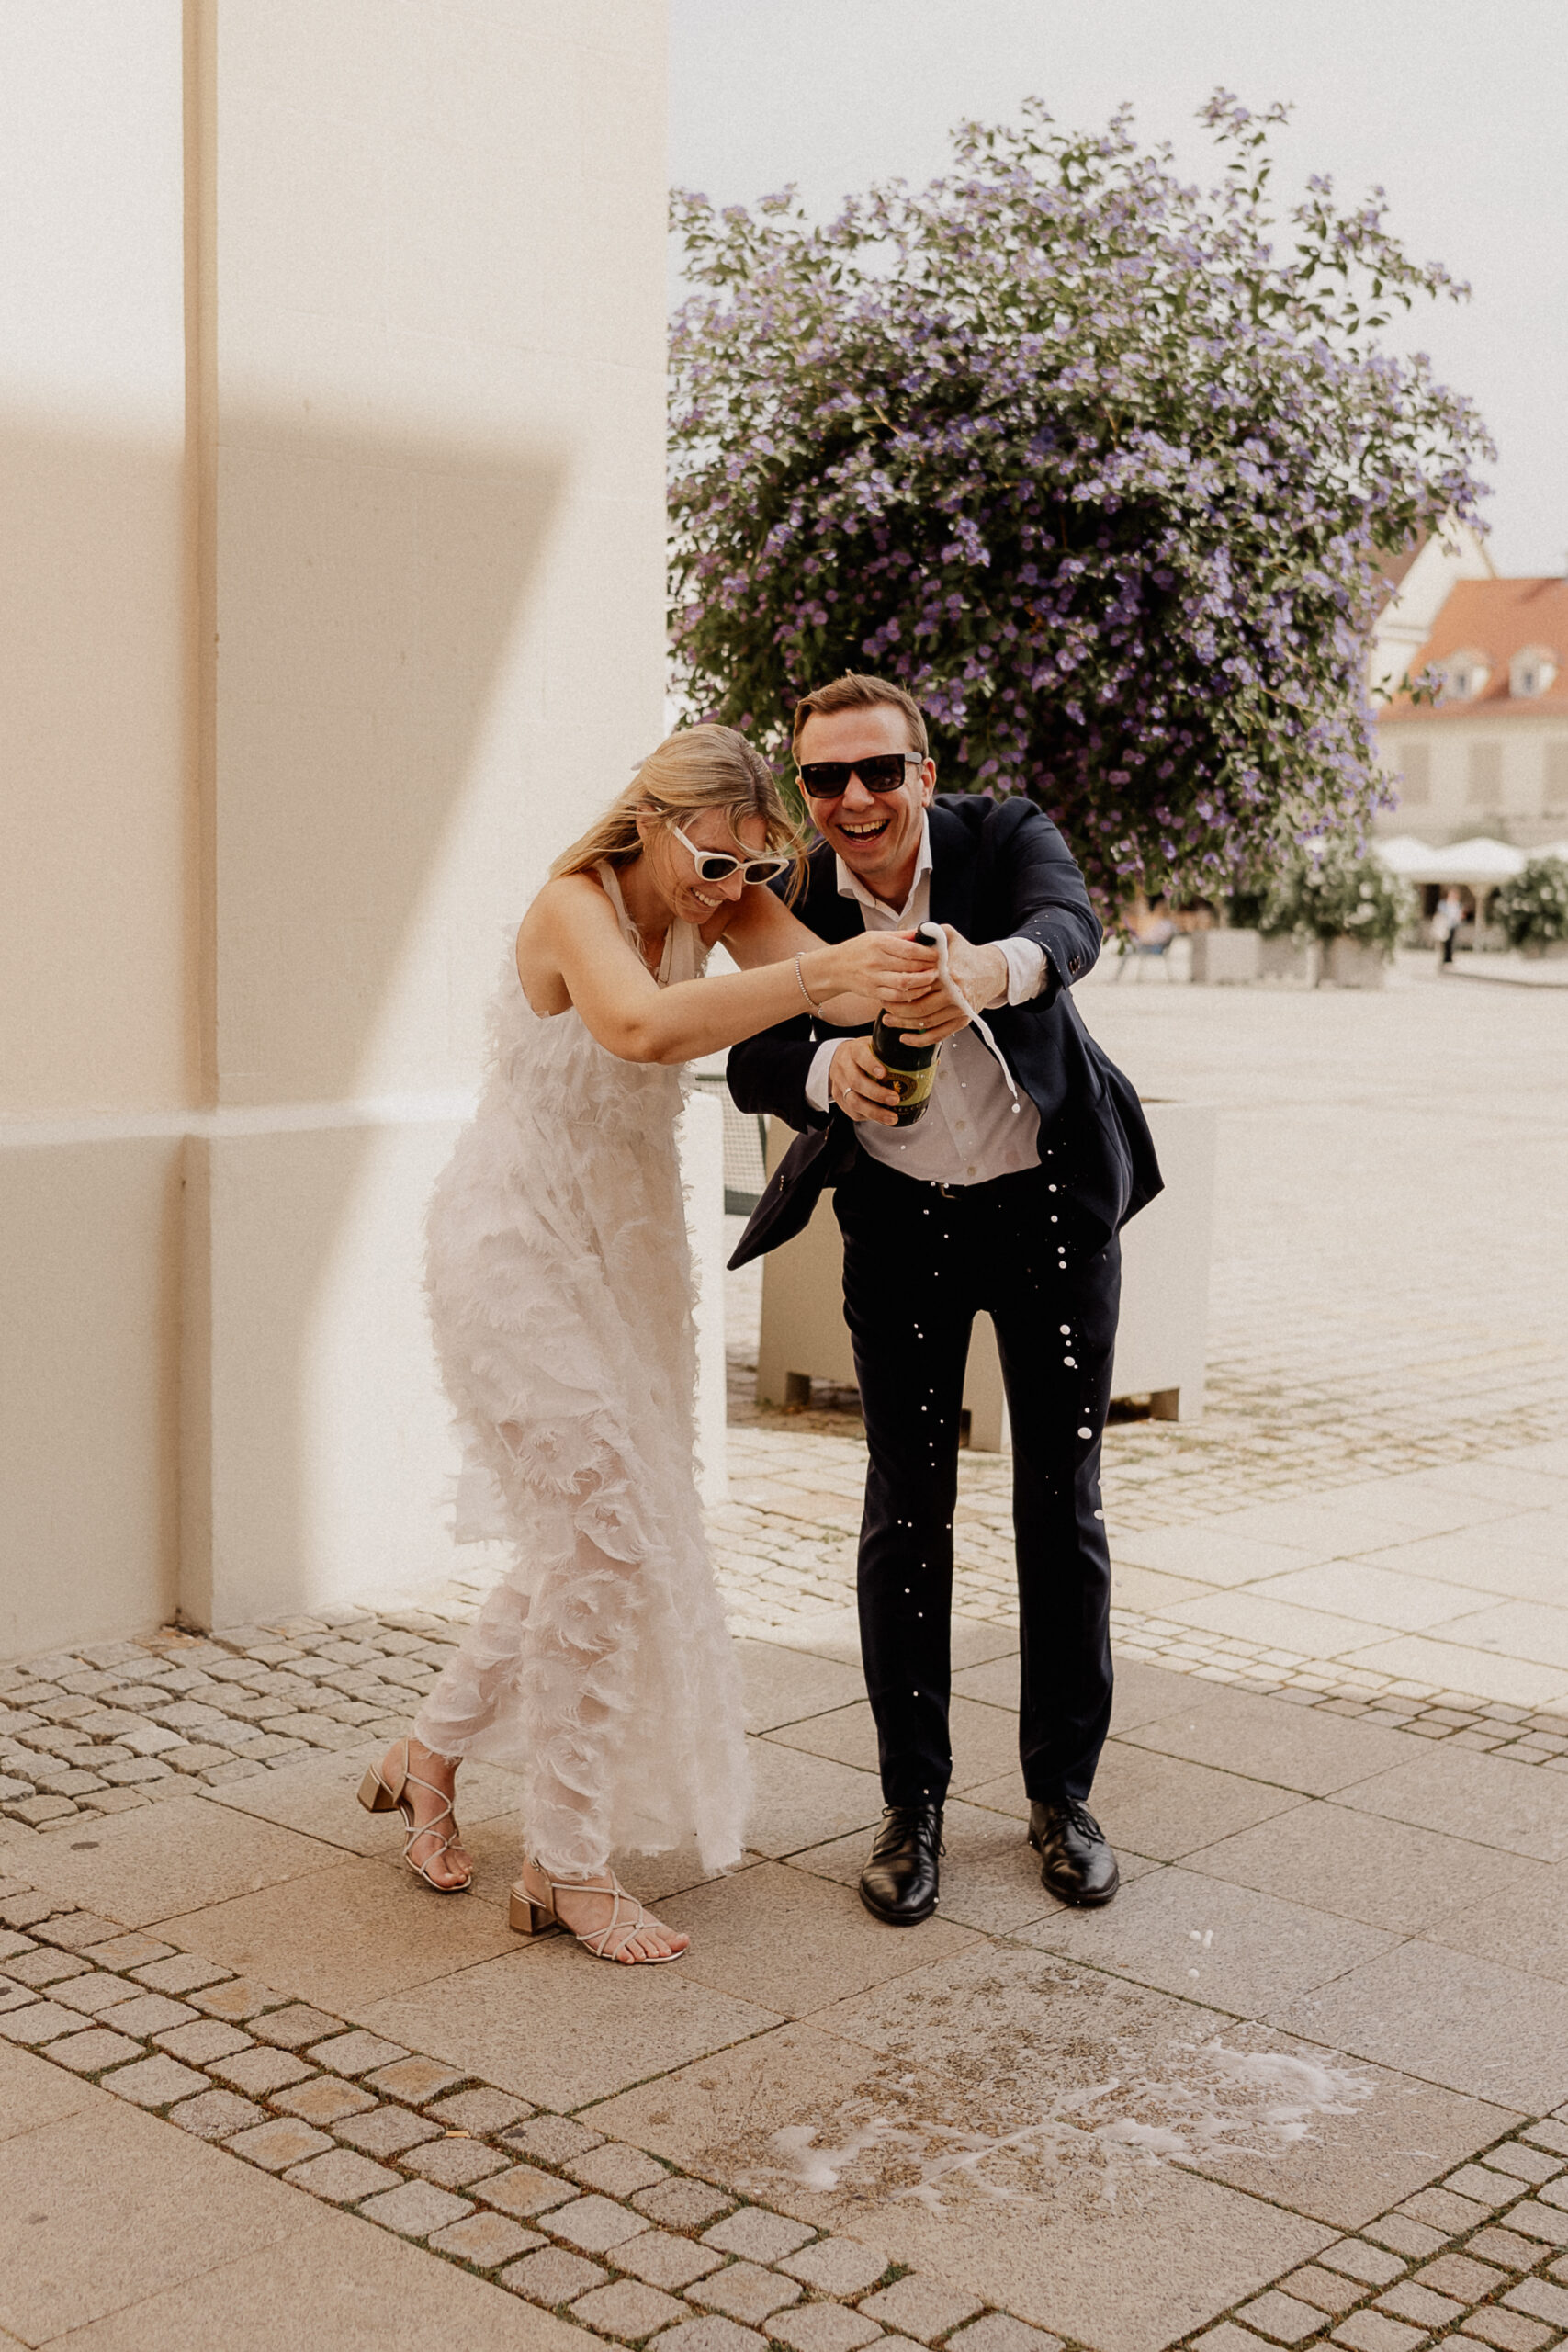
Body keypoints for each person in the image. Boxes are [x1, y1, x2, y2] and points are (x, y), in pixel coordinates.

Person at [359, 725, 938, 1964]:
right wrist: (815, 981)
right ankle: (565, 1863)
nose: (731, 892)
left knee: (591, 1532)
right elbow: (640, 1028)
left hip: (624, 1258)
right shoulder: (575, 905)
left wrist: (905, 973)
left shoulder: (717, 897)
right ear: (649, 820)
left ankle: (427, 1754)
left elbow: (835, 984)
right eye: (713, 864)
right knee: (603, 1535)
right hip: (513, 1248)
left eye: (753, 868)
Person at [728, 674, 1162, 1927]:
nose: (854, 799)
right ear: (805, 790)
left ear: (922, 772)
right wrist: (829, 1071)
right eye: (825, 779)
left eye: (878, 771)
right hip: (901, 1227)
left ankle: (1061, 1798)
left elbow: (1069, 924)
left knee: (1059, 1504)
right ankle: (908, 1804)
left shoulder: (1002, 833)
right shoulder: (794, 898)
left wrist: (991, 966)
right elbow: (751, 1051)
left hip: (1047, 1209)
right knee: (904, 1513)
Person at [1433, 888, 1465, 967]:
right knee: (1443, 943)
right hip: (1444, 926)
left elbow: (1460, 915)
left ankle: (1449, 959)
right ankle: (1443, 959)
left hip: (1453, 926)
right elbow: (1441, 912)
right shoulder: (1443, 904)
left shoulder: (1458, 905)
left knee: (1451, 943)